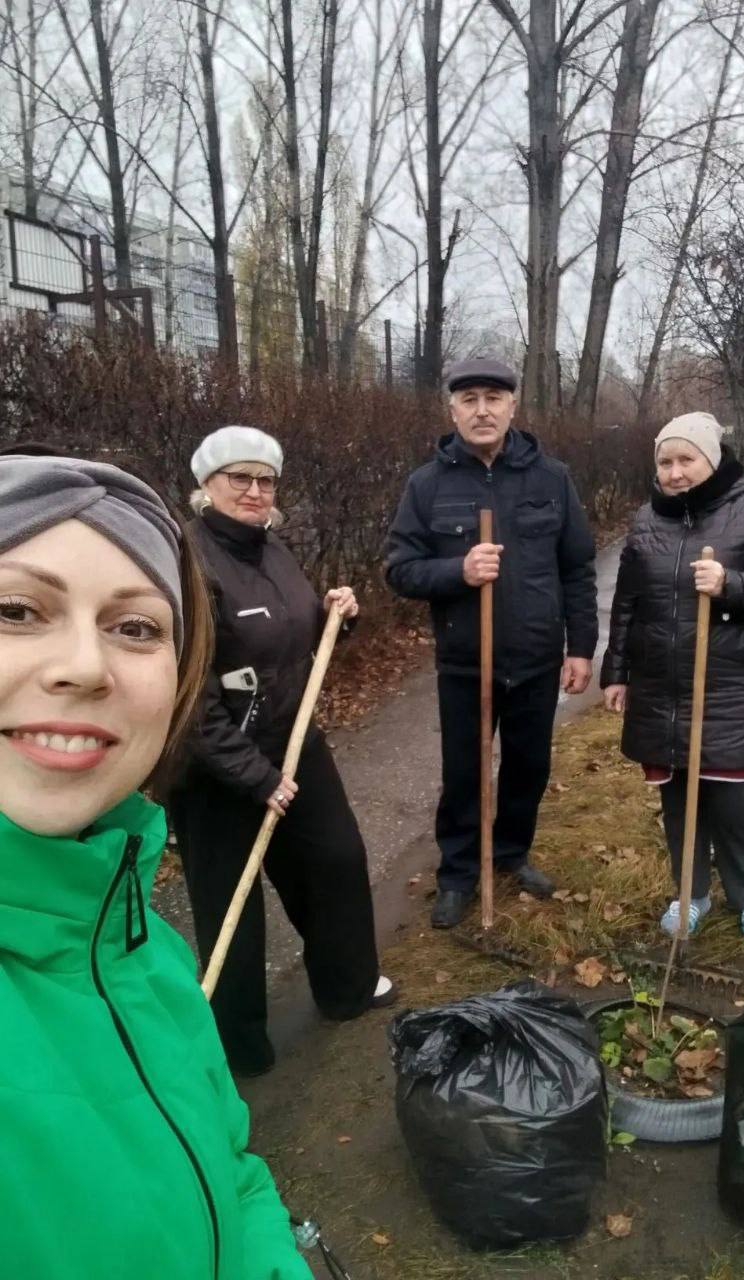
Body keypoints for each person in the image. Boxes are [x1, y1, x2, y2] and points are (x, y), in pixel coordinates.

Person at [0, 452, 311, 1279]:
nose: (85, 667)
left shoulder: (139, 943)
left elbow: (232, 1175)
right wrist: (255, 777)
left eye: (136, 627)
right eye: (17, 609)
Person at [169, 426, 394, 1079]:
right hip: (215, 767)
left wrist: (335, 619)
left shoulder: (276, 551)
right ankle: (238, 1046)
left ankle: (348, 988)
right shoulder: (188, 564)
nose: (254, 490)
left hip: (293, 741)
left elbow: (291, 646)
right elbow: (189, 697)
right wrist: (253, 775)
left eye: (265, 479)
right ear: (206, 485)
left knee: (335, 858)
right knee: (231, 905)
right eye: (239, 477)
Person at [385, 358, 598, 928]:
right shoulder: (427, 485)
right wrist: (459, 570)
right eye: (470, 398)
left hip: (534, 657)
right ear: (452, 409)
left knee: (528, 767)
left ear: (513, 406)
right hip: (464, 661)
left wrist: (581, 648)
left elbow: (577, 568)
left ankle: (509, 855)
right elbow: (400, 569)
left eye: (493, 398)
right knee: (464, 773)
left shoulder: (550, 478)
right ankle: (457, 872)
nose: (482, 409)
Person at [601, 412, 744, 939]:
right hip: (662, 688)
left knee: (737, 799)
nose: (674, 472)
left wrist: (730, 584)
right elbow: (627, 602)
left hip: (731, 687)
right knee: (679, 799)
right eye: (665, 462)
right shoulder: (647, 520)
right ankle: (691, 891)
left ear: (712, 460)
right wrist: (617, 673)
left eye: (685, 459)